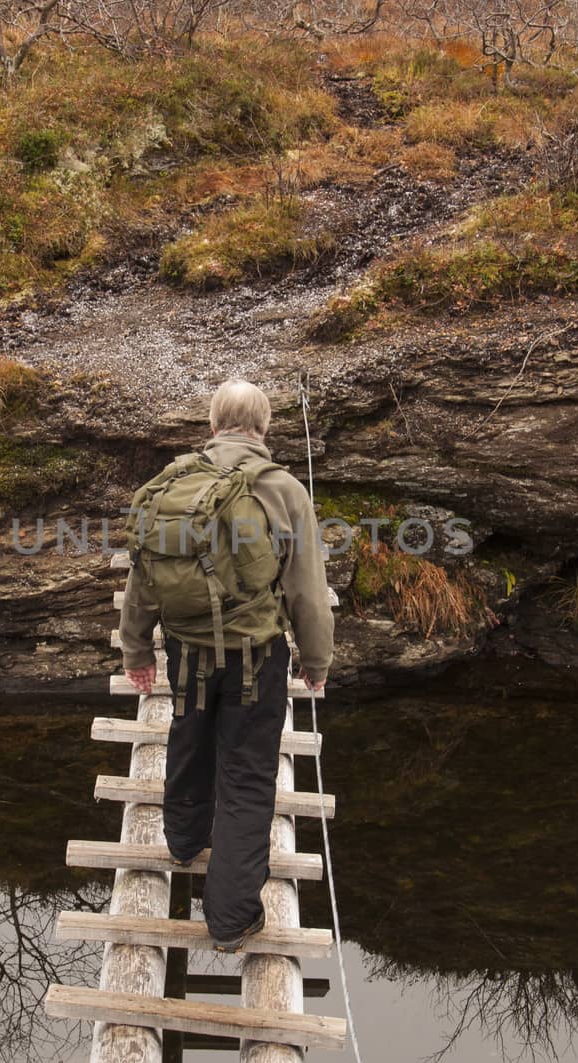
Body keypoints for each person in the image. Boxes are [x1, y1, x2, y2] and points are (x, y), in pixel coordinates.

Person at [117, 378, 334, 952]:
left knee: (189, 739)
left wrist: (136, 650)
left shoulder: (170, 483)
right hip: (255, 658)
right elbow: (308, 589)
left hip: (185, 651)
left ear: (213, 426)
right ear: (262, 429)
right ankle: (231, 918)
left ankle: (184, 841)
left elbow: (142, 577)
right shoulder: (282, 489)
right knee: (245, 777)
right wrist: (316, 660)